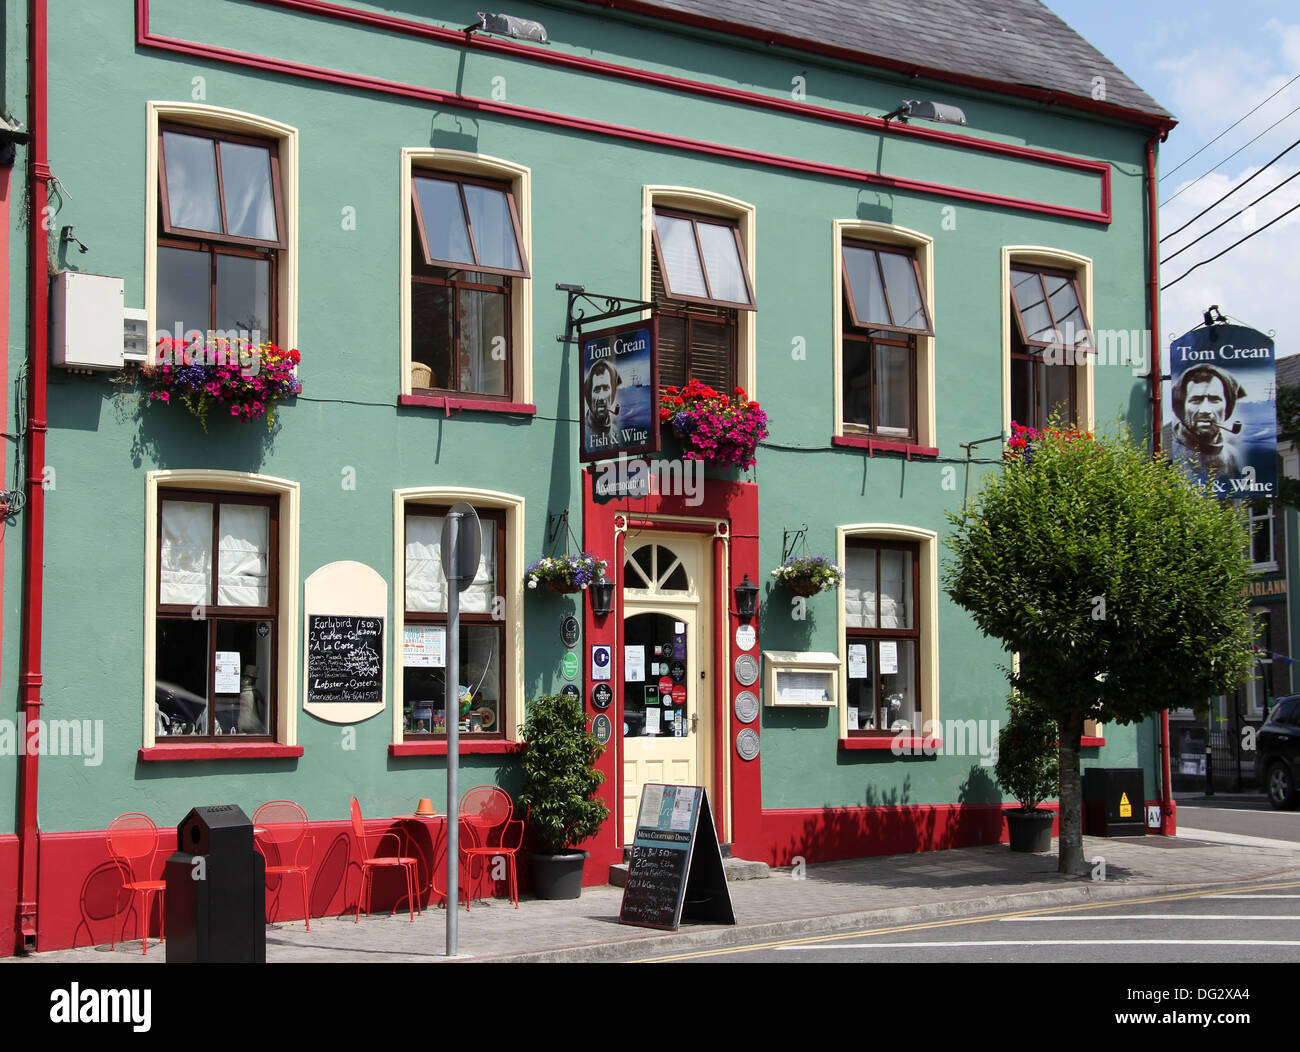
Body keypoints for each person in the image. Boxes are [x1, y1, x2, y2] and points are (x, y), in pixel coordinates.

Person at [1163, 364, 1245, 481]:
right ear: (1182, 407)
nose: (1205, 410)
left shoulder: (1233, 456)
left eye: (1214, 400)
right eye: (1195, 400)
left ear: (1227, 407)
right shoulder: (1175, 454)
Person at [583, 359, 621, 450]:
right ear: (589, 395)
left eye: (605, 389)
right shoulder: (583, 434)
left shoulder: (616, 432)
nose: (601, 398)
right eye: (596, 390)